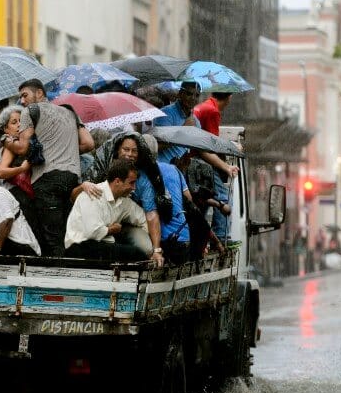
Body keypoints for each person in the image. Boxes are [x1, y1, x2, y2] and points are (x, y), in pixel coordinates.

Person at [3, 78, 95, 257]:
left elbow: (23, 147)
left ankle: (58, 279)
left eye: (25, 95)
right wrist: (63, 149)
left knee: (52, 239)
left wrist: (6, 141)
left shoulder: (31, 110)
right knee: (69, 234)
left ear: (39, 93)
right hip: (72, 179)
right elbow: (89, 143)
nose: (22, 101)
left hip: (47, 181)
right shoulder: (70, 111)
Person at [77, 132, 165, 267]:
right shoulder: (102, 169)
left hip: (127, 223)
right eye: (126, 149)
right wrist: (84, 186)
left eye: (134, 151)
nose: (129, 154)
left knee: (146, 248)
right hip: (98, 223)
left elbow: (150, 214)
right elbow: (75, 197)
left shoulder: (142, 180)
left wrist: (156, 250)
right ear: (117, 151)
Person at [64, 159, 149, 262]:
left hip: (101, 245)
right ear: (117, 181)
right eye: (131, 183)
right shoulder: (94, 193)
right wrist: (110, 230)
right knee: (135, 254)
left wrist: (155, 246)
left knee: (140, 253)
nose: (134, 188)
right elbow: (92, 232)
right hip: (80, 246)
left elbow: (143, 218)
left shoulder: (124, 201)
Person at [193, 91, 240, 241]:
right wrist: (231, 151)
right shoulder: (213, 111)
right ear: (229, 97)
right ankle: (221, 236)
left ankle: (202, 235)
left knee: (204, 201)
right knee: (223, 198)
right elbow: (211, 146)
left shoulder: (203, 106)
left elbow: (210, 140)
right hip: (202, 161)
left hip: (194, 160)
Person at [145, 135, 193, 265]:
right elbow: (188, 198)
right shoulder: (174, 169)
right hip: (182, 236)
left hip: (163, 241)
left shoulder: (141, 173)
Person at [0, 104, 37, 234]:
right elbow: (1, 172)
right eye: (14, 122)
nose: (19, 124)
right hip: (15, 193)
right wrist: (21, 168)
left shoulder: (17, 143)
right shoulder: (10, 145)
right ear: (5, 129)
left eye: (21, 121)